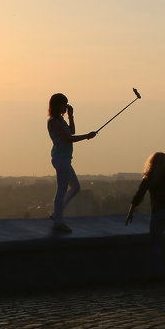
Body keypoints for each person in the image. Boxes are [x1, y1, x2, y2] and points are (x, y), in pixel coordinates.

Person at [125, 151, 165, 278]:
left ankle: (157, 273)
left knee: (155, 244)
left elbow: (138, 196)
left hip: (158, 211)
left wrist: (130, 213)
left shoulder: (149, 177)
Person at [47, 93, 96, 233]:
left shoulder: (60, 120)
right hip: (61, 159)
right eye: (64, 104)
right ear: (58, 105)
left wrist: (71, 116)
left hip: (64, 158)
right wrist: (87, 136)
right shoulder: (53, 121)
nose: (66, 106)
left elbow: (72, 131)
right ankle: (58, 220)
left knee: (68, 188)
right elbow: (69, 138)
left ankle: (57, 215)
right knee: (68, 188)